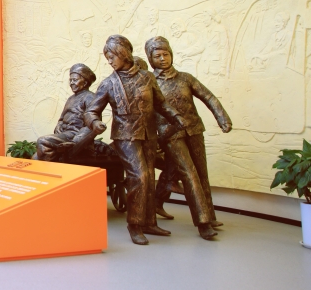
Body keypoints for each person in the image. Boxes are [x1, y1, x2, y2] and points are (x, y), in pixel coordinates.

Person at [84, 35, 187, 246]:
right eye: (107, 57)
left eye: (112, 56)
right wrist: (95, 123)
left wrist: (176, 117)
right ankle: (135, 224)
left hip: (148, 135)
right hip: (125, 137)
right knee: (139, 177)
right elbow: (91, 111)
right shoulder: (109, 83)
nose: (110, 61)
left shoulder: (147, 77)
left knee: (149, 178)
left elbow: (161, 104)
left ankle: (149, 223)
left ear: (123, 53)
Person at [145, 36, 231, 239]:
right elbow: (145, 113)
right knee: (189, 174)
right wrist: (152, 139)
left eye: (166, 54)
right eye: (158, 56)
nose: (163, 59)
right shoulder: (149, 82)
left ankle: (209, 215)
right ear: (150, 59)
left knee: (201, 174)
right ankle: (203, 222)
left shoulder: (185, 78)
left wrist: (222, 118)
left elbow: (208, 97)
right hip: (170, 134)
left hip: (194, 129)